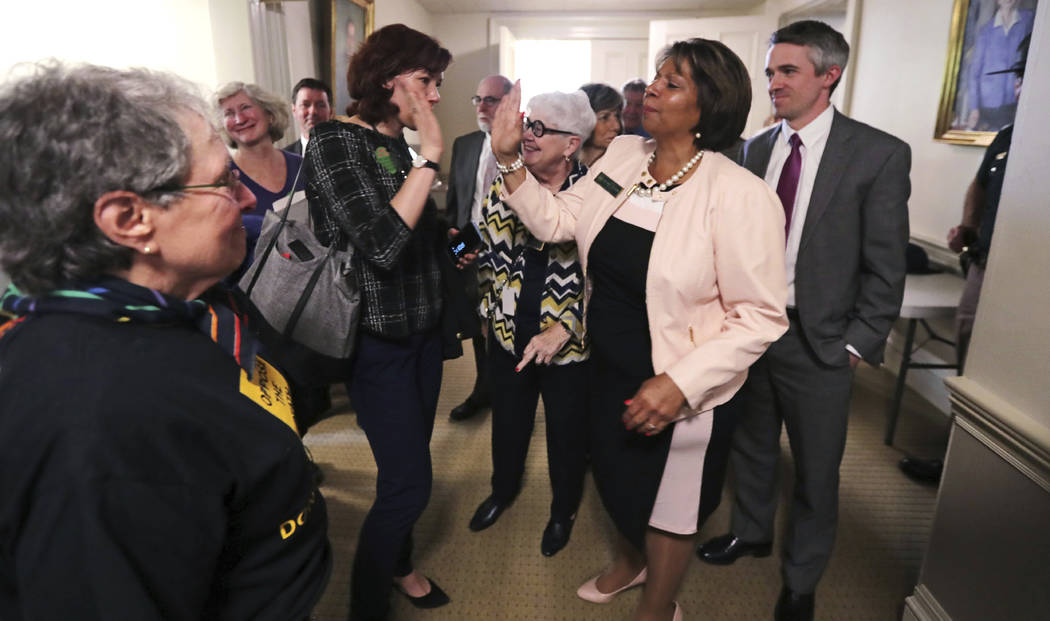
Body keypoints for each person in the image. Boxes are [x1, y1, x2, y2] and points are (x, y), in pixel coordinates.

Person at [0, 62, 331, 620]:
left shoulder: (195, 308)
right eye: (224, 180)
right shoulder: (96, 421)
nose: (246, 199)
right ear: (130, 219)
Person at [491, 39, 789, 621]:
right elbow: (558, 221)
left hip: (682, 381)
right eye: (657, 76)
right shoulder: (624, 154)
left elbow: (759, 316)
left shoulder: (740, 195)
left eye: (672, 83)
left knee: (672, 507)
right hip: (606, 362)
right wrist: (510, 162)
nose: (652, 88)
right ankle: (630, 564)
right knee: (615, 477)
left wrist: (680, 382)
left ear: (709, 108)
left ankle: (659, 606)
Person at [696, 21, 910, 621]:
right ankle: (752, 530)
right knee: (751, 443)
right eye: (770, 72)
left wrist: (857, 345)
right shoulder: (753, 150)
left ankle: (802, 578)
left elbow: (885, 266)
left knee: (816, 470)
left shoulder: (878, 154)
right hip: (751, 331)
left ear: (829, 75)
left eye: (787, 71)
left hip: (822, 343)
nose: (773, 83)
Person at [302, 24, 461, 621]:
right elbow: (381, 243)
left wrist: (450, 238)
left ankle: (400, 563)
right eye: (427, 81)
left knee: (408, 460)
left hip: (421, 331)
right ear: (388, 78)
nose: (435, 96)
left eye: (437, 83)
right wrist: (435, 155)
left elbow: (415, 231)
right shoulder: (333, 141)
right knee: (409, 484)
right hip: (374, 340)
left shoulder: (396, 147)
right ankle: (367, 605)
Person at [467, 91, 594, 558]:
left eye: (540, 128)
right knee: (509, 423)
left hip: (566, 346)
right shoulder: (504, 185)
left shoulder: (594, 195)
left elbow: (608, 281)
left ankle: (563, 511)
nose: (527, 135)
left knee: (566, 433)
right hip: (506, 336)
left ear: (570, 144)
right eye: (527, 124)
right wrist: (473, 280)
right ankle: (503, 491)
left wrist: (570, 324)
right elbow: (473, 244)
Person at [900, 34, 1029, 485]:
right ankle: (958, 458)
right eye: (1017, 79)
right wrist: (967, 226)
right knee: (971, 361)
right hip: (985, 267)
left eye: (1024, 79)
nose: (1017, 88)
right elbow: (980, 185)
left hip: (1029, 281)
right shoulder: (1011, 136)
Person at [444, 74, 512, 422]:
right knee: (473, 319)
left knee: (506, 323)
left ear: (511, 103)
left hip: (509, 249)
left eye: (492, 100)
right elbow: (457, 201)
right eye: (478, 99)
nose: (482, 107)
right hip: (469, 242)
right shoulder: (465, 144)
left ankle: (510, 396)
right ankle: (482, 388)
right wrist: (454, 244)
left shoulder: (523, 145)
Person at [213, 81, 304, 264]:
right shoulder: (221, 178)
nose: (239, 119)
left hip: (314, 277)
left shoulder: (303, 166)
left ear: (270, 115)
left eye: (245, 107)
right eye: (229, 114)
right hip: (251, 285)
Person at [966, 0, 1033, 130]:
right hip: (989, 105)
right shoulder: (986, 30)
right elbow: (975, 72)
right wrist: (974, 108)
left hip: (1014, 102)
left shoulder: (1028, 20)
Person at [284, 77, 333, 156]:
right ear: (294, 110)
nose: (313, 111)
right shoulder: (285, 159)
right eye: (305, 105)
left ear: (331, 112)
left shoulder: (348, 154)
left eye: (320, 105)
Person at [579, 82, 623, 166]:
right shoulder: (561, 167)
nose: (616, 126)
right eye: (604, 117)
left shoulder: (623, 166)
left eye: (617, 116)